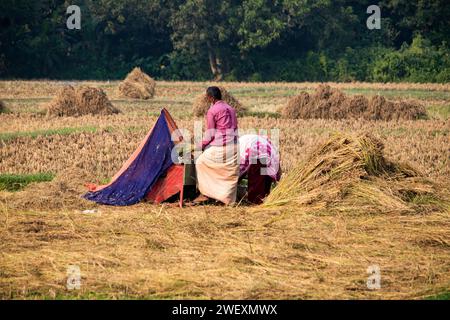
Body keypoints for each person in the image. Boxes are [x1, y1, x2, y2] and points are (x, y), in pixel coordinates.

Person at [194, 87, 239, 205]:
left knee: (200, 162)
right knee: (229, 172)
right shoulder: (231, 109)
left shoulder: (212, 111)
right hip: (234, 146)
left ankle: (205, 193)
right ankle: (228, 200)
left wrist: (199, 146)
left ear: (211, 98)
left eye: (207, 97)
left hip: (221, 147)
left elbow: (210, 134)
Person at [238, 134, 281, 204]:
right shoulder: (274, 155)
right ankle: (260, 199)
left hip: (256, 151)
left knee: (257, 177)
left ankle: (256, 200)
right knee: (261, 177)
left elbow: (237, 174)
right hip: (261, 152)